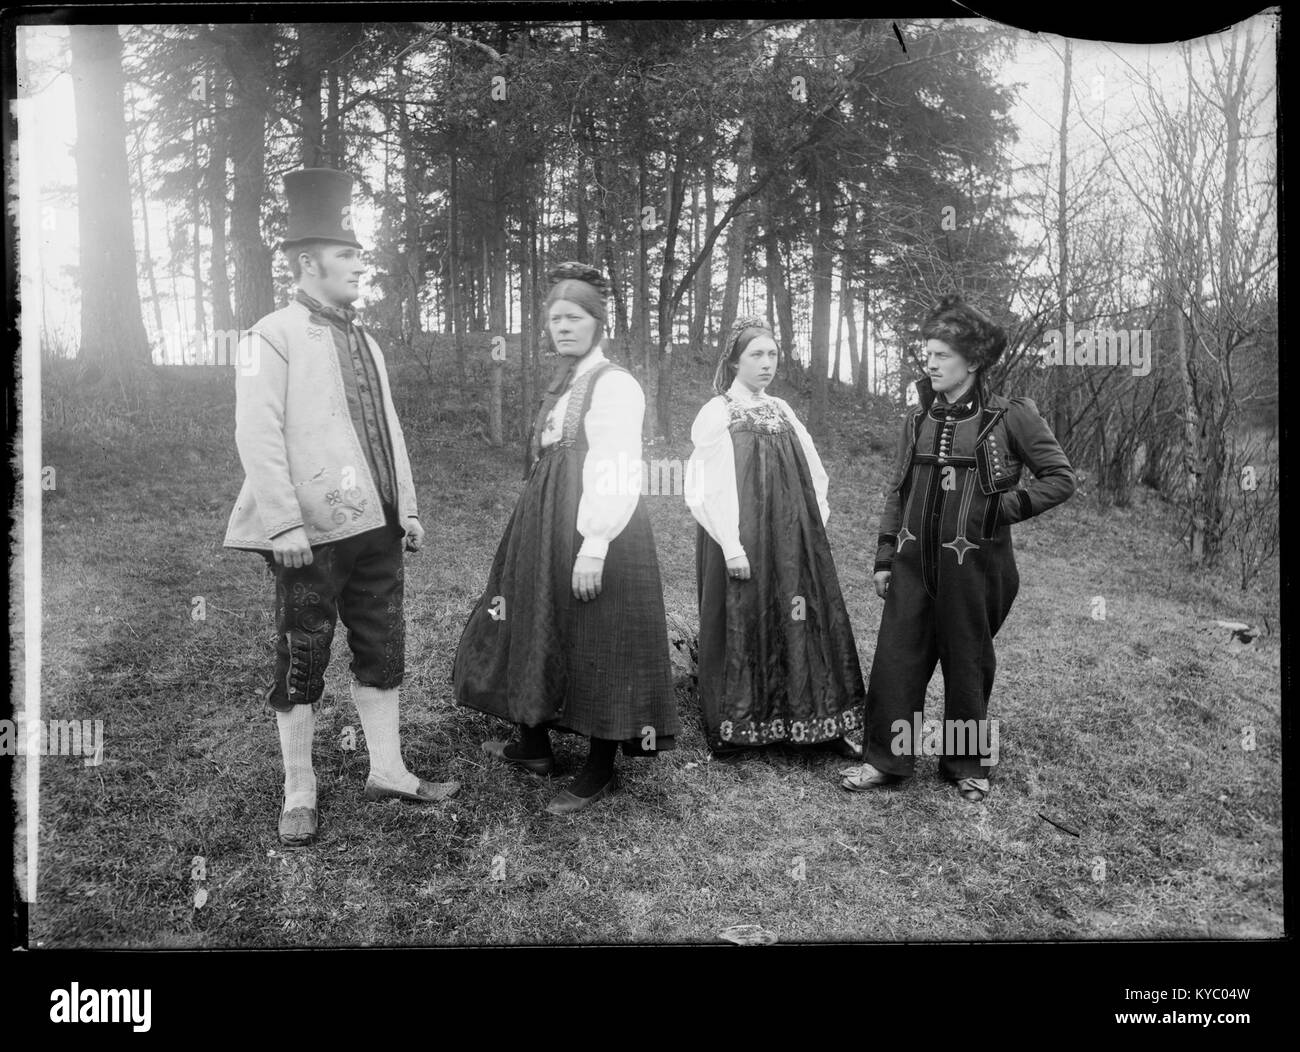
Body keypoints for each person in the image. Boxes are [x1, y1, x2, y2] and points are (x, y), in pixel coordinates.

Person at [223, 167, 458, 848]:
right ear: (307, 262)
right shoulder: (265, 336)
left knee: (383, 647)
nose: (360, 265)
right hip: (311, 535)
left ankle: (388, 770)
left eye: (360, 254)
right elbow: (256, 435)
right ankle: (300, 788)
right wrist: (284, 522)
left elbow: (388, 427)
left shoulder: (368, 340)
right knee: (303, 654)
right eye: (348, 254)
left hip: (379, 529)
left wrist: (406, 507)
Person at [453, 262, 679, 815]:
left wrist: (595, 543)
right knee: (534, 614)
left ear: (599, 322)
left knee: (600, 633)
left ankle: (599, 765)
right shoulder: (566, 383)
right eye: (554, 318)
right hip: (546, 519)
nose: (563, 327)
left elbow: (617, 466)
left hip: (598, 524)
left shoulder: (615, 384)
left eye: (575, 317)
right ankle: (533, 744)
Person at [842, 294, 1076, 801]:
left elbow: (1060, 478)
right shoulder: (915, 420)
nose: (930, 362)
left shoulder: (1010, 417)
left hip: (976, 569)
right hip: (911, 566)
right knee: (896, 660)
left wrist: (1000, 509)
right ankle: (884, 759)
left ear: (972, 361)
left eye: (942, 354)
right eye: (926, 353)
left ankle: (966, 765)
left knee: (968, 663)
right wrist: (885, 557)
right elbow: (897, 491)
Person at [685, 314, 866, 760]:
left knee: (804, 620)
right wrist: (731, 544)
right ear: (734, 362)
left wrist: (812, 526)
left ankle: (819, 722)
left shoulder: (782, 409)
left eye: (773, 355)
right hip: (742, 540)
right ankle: (742, 726)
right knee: (745, 618)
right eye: (756, 355)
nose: (767, 363)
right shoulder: (717, 412)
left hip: (792, 539)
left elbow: (813, 471)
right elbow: (706, 487)